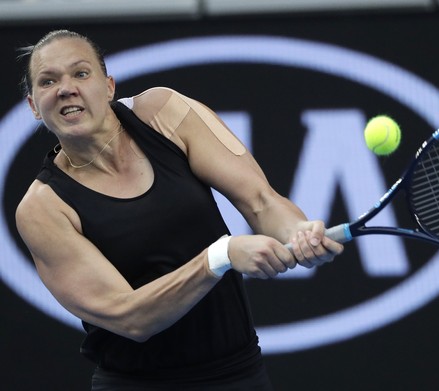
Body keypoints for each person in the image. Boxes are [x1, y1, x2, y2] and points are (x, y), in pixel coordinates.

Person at [15, 30, 344, 390]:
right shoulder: (42, 209)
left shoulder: (165, 114)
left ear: (108, 87)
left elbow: (261, 200)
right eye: (48, 81)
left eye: (81, 73)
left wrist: (298, 232)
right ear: (34, 106)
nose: (65, 88)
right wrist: (220, 256)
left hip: (241, 373)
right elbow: (131, 317)